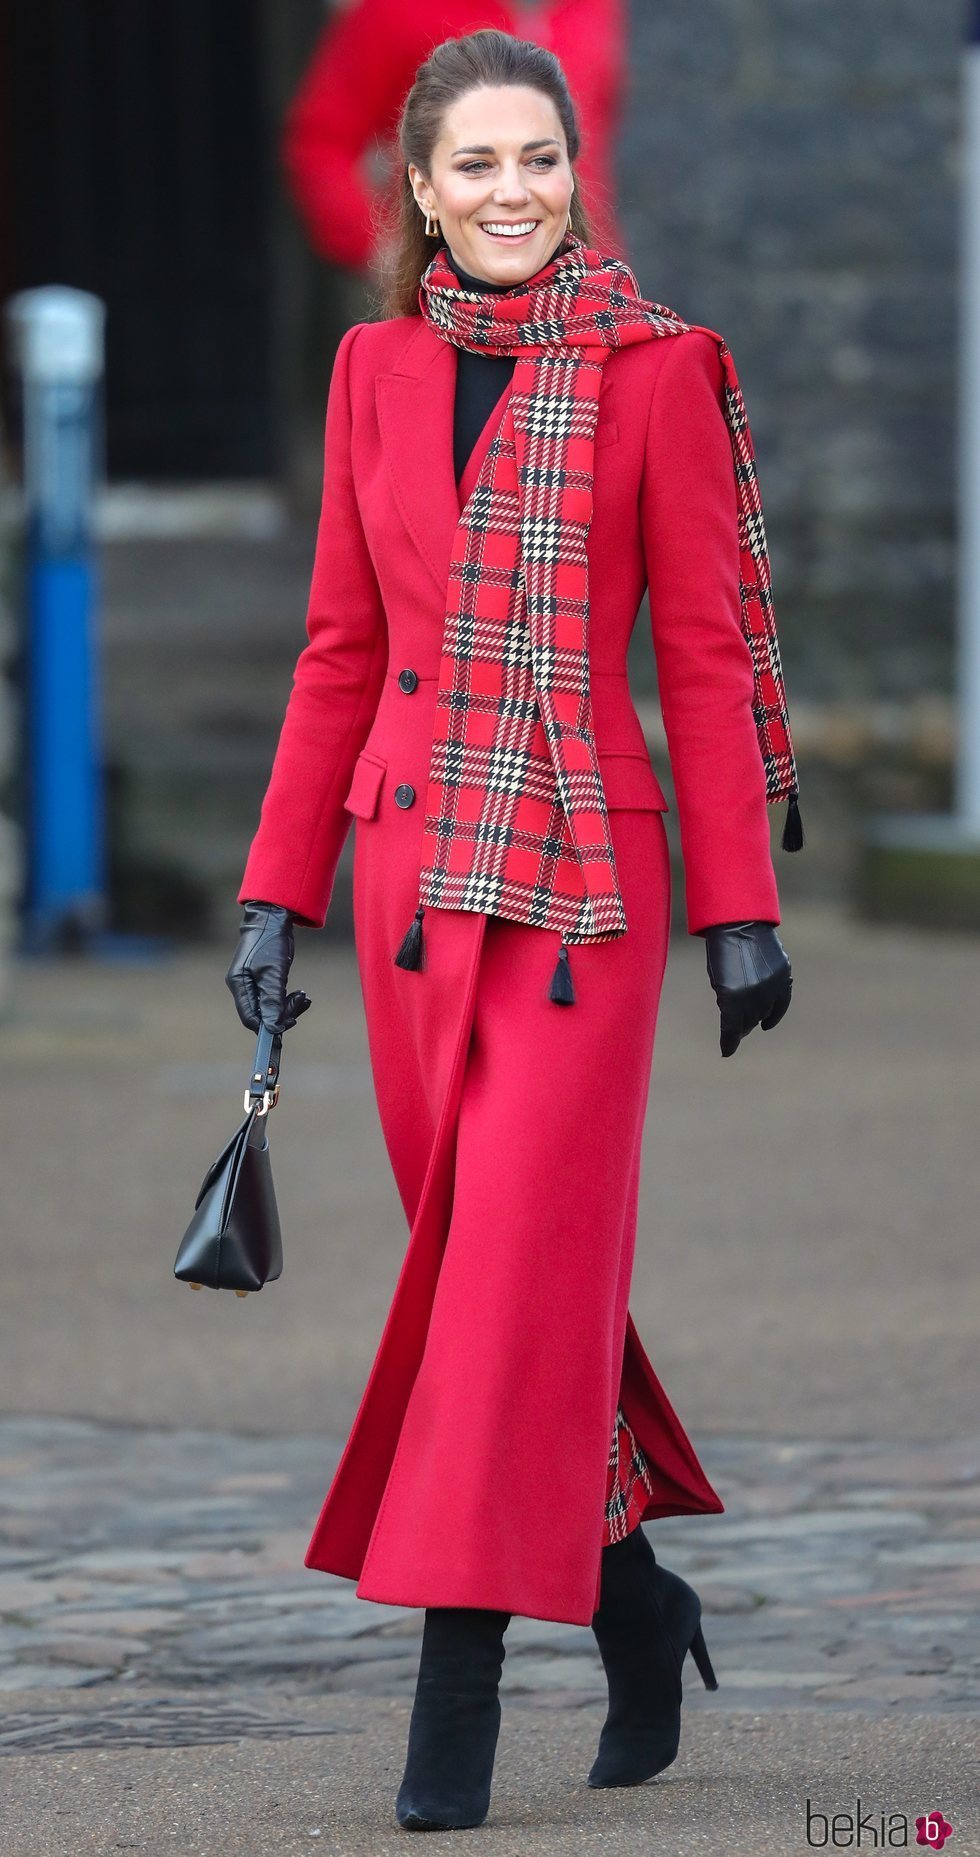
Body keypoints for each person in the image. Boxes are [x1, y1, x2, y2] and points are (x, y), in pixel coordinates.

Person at [225, 27, 798, 1833]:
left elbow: (701, 658)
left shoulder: (663, 373)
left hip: (586, 901)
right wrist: (273, 884)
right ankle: (639, 1604)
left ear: (575, 166)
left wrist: (742, 909)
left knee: (494, 1289)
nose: (510, 193)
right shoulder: (371, 371)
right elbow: (337, 650)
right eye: (473, 165)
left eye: (536, 159)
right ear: (417, 187)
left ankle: (454, 1684)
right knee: (510, 1284)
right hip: (405, 891)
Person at [280, 0, 627, 270]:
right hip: (447, 281)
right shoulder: (396, 9)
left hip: (581, 267)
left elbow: (595, 131)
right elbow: (322, 140)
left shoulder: (593, 6)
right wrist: (381, 250)